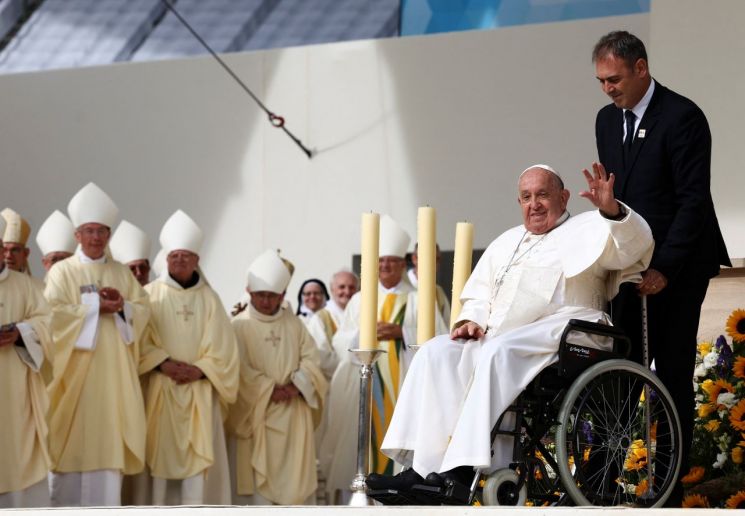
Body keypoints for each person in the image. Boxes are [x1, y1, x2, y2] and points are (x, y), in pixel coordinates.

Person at [366, 164, 653, 491]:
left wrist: (612, 211)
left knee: (497, 352)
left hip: (570, 328)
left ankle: (462, 470)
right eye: (526, 197)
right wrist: (471, 319)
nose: (534, 204)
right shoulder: (506, 241)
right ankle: (422, 468)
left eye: (543, 195)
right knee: (435, 352)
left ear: (564, 197)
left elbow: (637, 247)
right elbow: (478, 295)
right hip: (503, 335)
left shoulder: (592, 227)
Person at [592, 31, 730, 501]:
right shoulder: (606, 122)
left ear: (641, 68)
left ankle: (668, 487)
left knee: (670, 375)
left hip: (680, 263)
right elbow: (621, 199)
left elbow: (692, 201)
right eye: (601, 81)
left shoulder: (683, 117)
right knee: (620, 371)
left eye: (614, 79)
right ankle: (598, 484)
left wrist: (665, 268)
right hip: (630, 267)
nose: (608, 89)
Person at [319, 215, 447, 504]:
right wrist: (364, 337)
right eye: (380, 261)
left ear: (403, 264)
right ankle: (360, 490)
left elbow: (439, 337)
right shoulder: (359, 300)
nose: (385, 266)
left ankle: (400, 493)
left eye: (391, 260)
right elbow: (340, 342)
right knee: (362, 437)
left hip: (403, 380)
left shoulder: (418, 299)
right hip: (366, 383)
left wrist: (402, 330)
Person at [44, 182, 151, 506]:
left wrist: (123, 308)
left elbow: (143, 310)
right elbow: (50, 317)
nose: (96, 238)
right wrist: (93, 308)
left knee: (106, 464)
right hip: (73, 381)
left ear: (109, 235)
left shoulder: (121, 272)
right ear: (77, 235)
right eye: (89, 231)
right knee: (68, 453)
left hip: (112, 380)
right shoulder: (62, 272)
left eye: (102, 231)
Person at [139, 210, 238, 505]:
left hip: (200, 392)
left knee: (197, 465)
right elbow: (139, 341)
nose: (180, 261)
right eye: (174, 256)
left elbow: (225, 349)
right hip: (161, 389)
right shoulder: (149, 294)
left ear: (197, 260)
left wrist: (201, 370)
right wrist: (164, 363)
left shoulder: (210, 299)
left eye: (186, 256)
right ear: (166, 259)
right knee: (159, 459)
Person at [227, 249, 327, 505]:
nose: (266, 301)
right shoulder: (239, 325)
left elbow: (311, 360)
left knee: (296, 490)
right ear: (250, 293)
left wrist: (296, 386)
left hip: (294, 414)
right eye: (261, 295)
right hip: (258, 414)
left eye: (272, 296)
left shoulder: (294, 324)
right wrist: (269, 388)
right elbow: (237, 367)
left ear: (282, 295)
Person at [0, 217, 53, 508]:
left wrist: (20, 331)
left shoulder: (28, 286)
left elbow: (48, 324)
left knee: (18, 457)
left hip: (16, 391)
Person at [305, 270, 359, 380]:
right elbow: (320, 356)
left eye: (352, 287)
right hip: (333, 383)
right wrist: (352, 366)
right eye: (342, 287)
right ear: (332, 289)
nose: (347, 291)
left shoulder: (363, 315)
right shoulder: (320, 319)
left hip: (360, 380)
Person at [408, 242, 451, 329]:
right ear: (414, 258)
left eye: (437, 259)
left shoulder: (438, 291)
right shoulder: (404, 287)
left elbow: (448, 325)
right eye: (428, 257)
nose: (434, 263)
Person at [2, 208, 45, 292]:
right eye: (4, 250)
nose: (9, 256)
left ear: (25, 254)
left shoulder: (38, 289)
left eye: (15, 250)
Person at [110, 220, 152, 286]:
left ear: (149, 268)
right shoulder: (116, 295)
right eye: (132, 269)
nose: (139, 273)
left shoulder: (159, 294)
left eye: (142, 268)